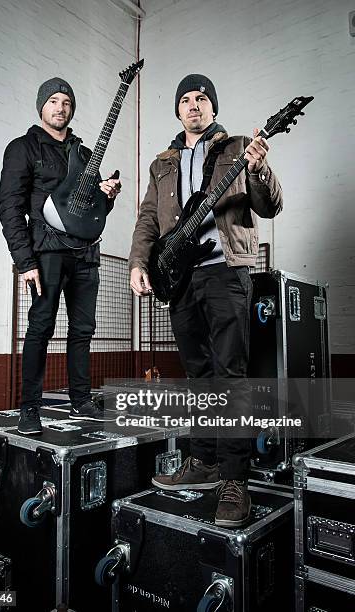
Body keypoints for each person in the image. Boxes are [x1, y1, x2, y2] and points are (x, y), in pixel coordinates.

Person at [129, 74, 282, 526]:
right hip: (180, 279)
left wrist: (258, 169)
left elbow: (269, 205)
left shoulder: (238, 147)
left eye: (201, 99)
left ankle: (236, 480)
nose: (194, 105)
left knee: (230, 374)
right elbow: (147, 219)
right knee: (198, 375)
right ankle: (205, 461)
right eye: (186, 100)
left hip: (225, 272)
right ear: (178, 110)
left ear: (212, 107)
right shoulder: (162, 162)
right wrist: (140, 262)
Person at [0, 77, 121, 435]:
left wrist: (108, 196)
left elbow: (90, 210)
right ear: (42, 107)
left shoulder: (83, 155)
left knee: (83, 330)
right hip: (46, 252)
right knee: (40, 327)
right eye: (53, 101)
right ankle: (30, 408)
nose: (60, 107)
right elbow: (10, 208)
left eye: (66, 102)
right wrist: (25, 262)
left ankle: (81, 400)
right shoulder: (23, 148)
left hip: (85, 254)